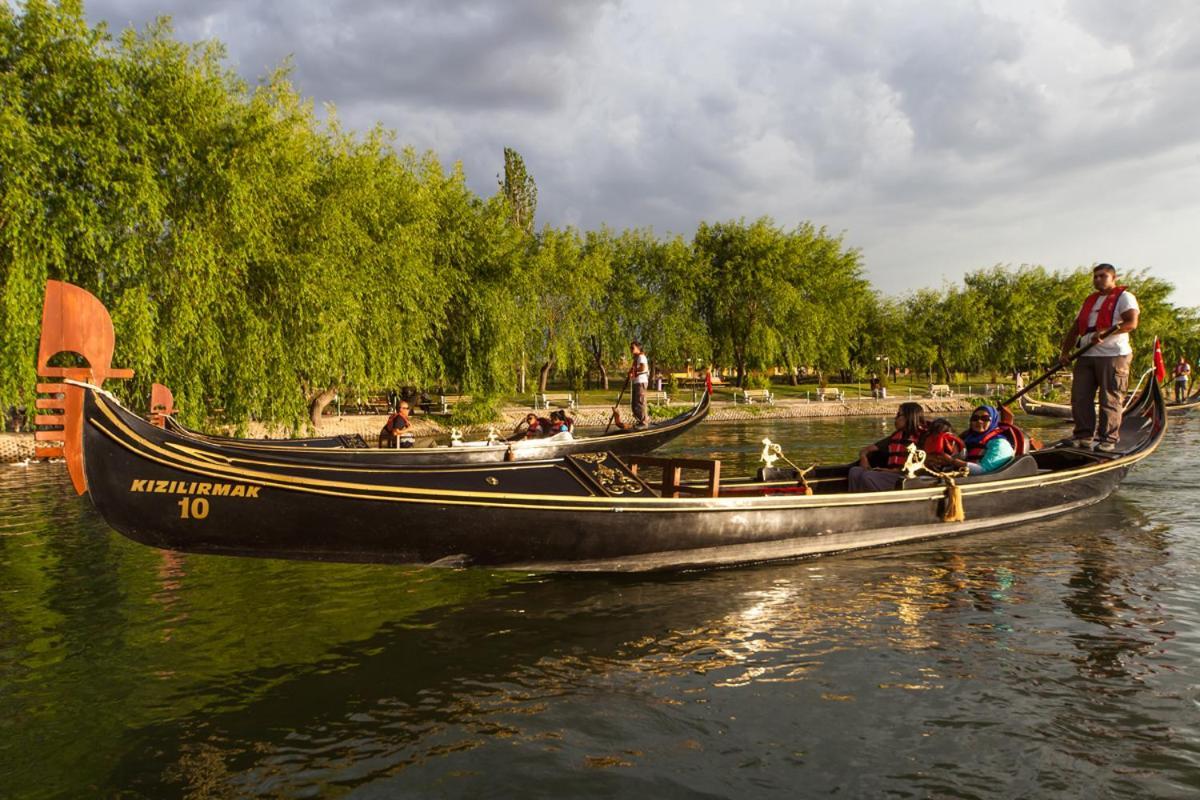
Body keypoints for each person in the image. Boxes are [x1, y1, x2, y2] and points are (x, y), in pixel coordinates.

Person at [1058, 263, 1139, 451]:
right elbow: (1076, 328)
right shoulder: (1089, 300)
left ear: (1113, 278)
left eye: (1103, 276)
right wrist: (1065, 352)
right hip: (1086, 354)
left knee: (1109, 397)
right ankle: (1083, 436)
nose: (1098, 279)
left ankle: (1108, 439)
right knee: (1080, 397)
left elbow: (1131, 323)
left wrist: (1107, 332)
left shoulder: (1124, 298)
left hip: (1113, 354)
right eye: (1095, 276)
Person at [847, 402, 926, 492]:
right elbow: (865, 450)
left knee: (868, 476)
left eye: (898, 414)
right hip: (891, 474)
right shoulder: (896, 436)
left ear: (909, 417)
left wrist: (886, 471)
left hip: (906, 478)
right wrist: (864, 459)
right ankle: (857, 501)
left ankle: (875, 503)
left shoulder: (924, 438)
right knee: (855, 471)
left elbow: (916, 469)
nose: (895, 418)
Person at [955, 405, 1015, 475]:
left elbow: (983, 470)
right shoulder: (966, 438)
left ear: (993, 421)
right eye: (975, 418)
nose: (979, 421)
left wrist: (952, 461)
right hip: (960, 473)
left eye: (985, 418)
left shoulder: (1000, 443)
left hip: (981, 477)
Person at [629, 340, 649, 428]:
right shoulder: (636, 358)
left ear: (638, 348)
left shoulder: (641, 357)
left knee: (640, 402)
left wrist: (633, 371)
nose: (631, 349)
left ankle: (644, 422)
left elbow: (643, 367)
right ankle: (640, 421)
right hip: (636, 382)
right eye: (630, 348)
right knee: (634, 404)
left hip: (641, 382)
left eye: (632, 348)